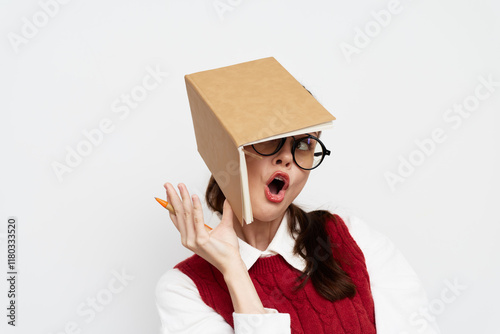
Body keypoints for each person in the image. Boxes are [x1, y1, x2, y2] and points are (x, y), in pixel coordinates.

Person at [155, 132, 441, 334]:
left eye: (303, 143)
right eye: (268, 138)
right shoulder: (184, 289)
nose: (286, 158)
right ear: (228, 151)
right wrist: (234, 270)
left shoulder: (353, 237)